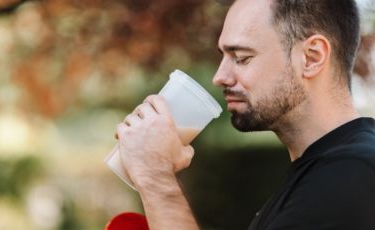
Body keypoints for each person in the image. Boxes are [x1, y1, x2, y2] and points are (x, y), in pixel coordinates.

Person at [115, 0, 375, 229]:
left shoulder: (351, 174)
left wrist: (157, 179)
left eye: (241, 58)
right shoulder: (326, 170)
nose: (220, 77)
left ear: (311, 57)